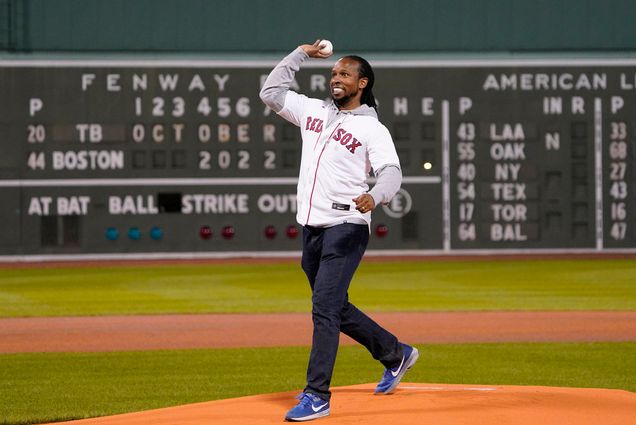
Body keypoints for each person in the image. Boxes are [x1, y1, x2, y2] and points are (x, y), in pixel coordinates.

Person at [260, 40, 419, 422]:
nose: (336, 77)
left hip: (347, 225)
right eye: (333, 72)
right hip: (312, 226)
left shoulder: (371, 128)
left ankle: (317, 395)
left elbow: (391, 173)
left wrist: (376, 196)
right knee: (334, 305)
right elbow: (271, 92)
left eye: (344, 73)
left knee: (324, 308)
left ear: (362, 83)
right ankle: (395, 353)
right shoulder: (313, 111)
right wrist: (299, 54)